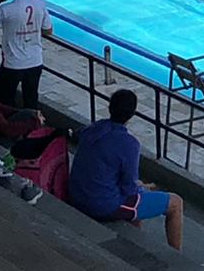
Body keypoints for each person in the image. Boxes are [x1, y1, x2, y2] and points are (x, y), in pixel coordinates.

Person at [70, 89, 185, 250]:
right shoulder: (129, 144)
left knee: (137, 202)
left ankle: (134, 243)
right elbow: (129, 188)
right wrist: (141, 186)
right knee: (175, 203)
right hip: (100, 204)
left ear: (110, 107)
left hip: (77, 194)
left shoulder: (93, 129)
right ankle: (176, 257)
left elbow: (79, 136)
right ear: (132, 113)